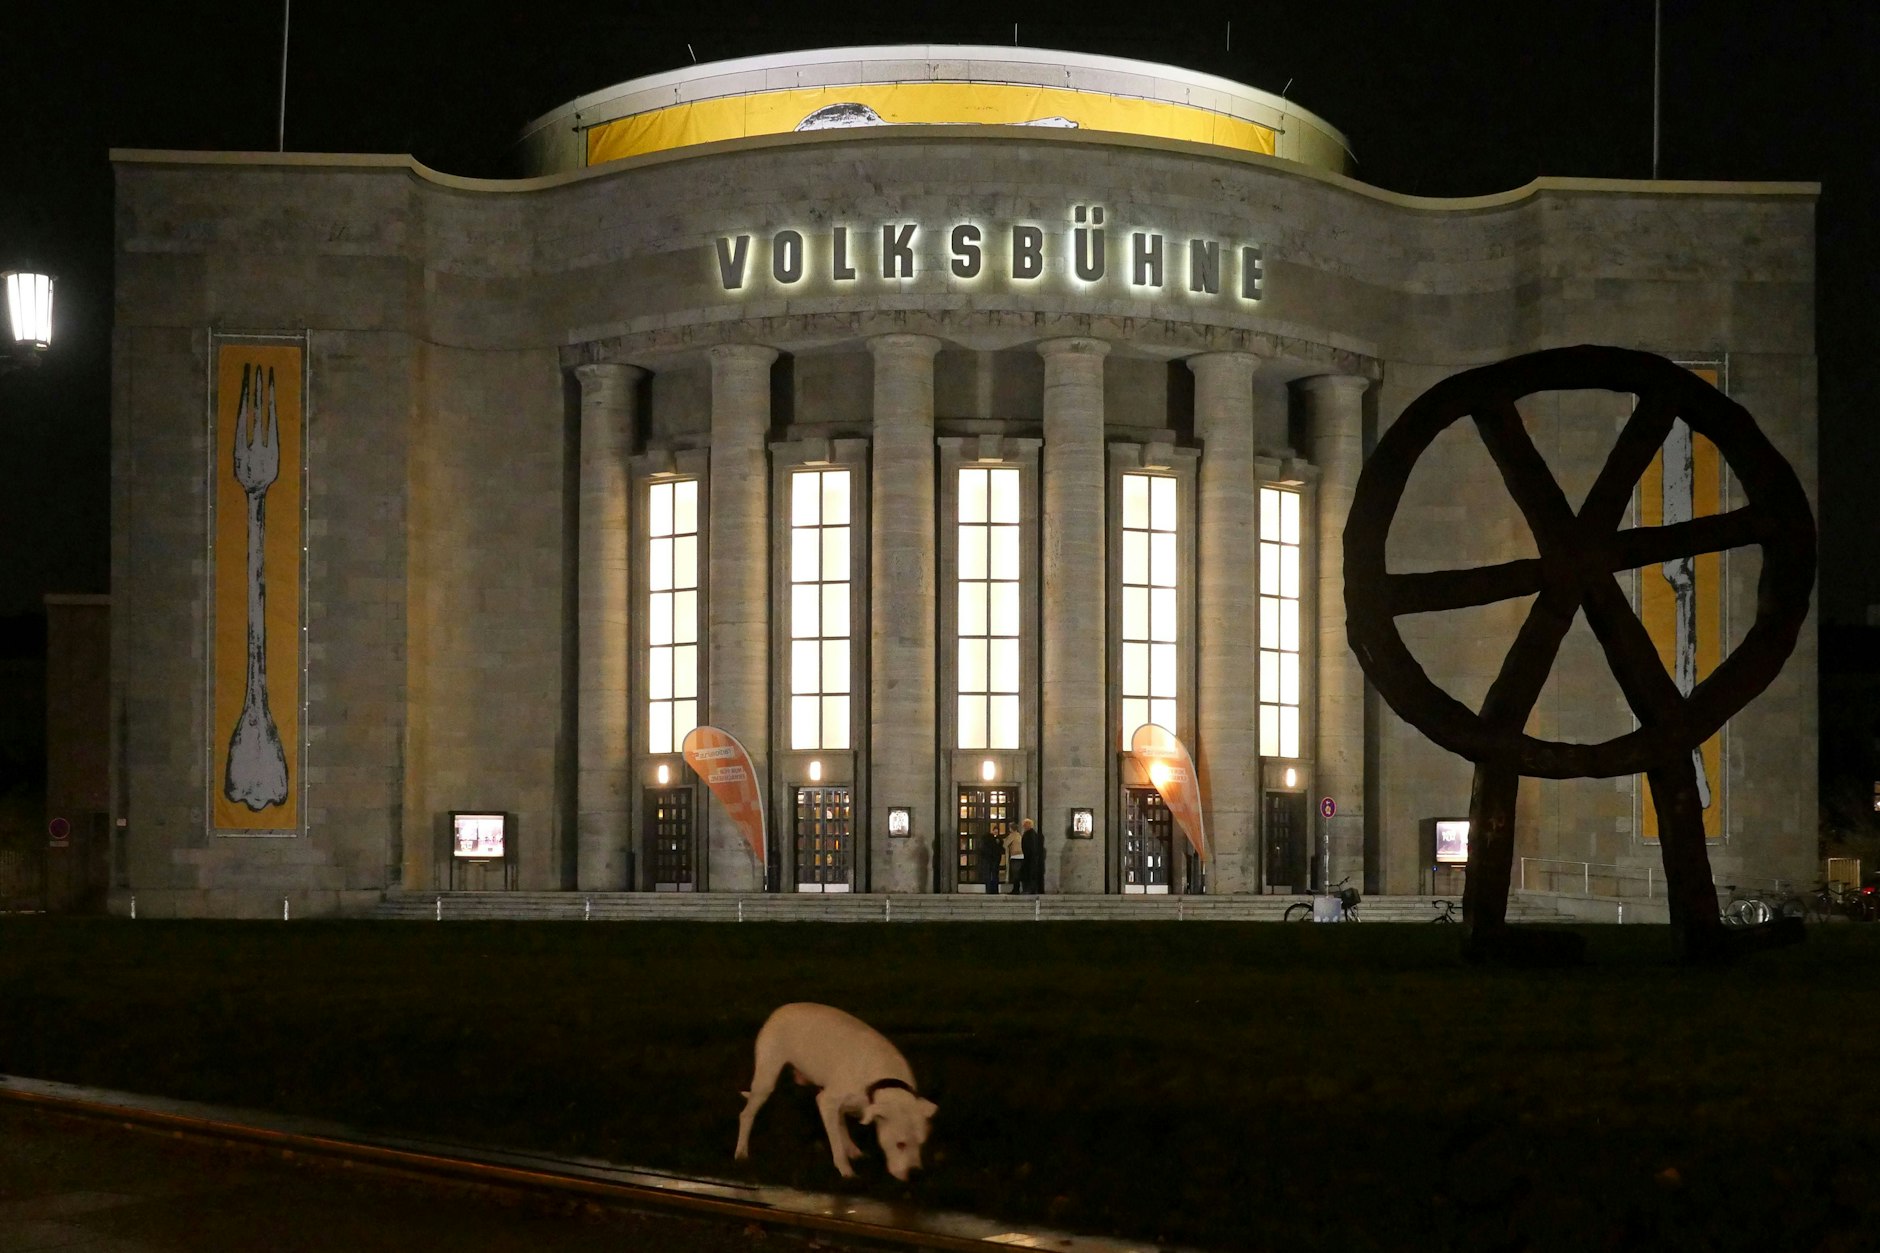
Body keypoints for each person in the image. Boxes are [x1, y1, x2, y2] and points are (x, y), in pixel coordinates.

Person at [1020, 818, 1045, 894]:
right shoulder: (1030, 834)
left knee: (1030, 875)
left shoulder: (1030, 835)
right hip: (1030, 858)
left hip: (1030, 859)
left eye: (1025, 825)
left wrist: (1029, 856)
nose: (1023, 826)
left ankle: (1030, 889)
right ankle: (1029, 889)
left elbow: (1031, 847)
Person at [979, 827, 1003, 894]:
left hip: (991, 859)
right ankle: (993, 890)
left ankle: (990, 890)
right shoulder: (992, 839)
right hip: (991, 859)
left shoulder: (995, 839)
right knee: (992, 875)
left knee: (991, 875)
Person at [1003, 825, 1026, 893]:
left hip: (1015, 856)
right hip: (1021, 856)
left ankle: (1016, 889)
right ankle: (1017, 888)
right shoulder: (1019, 835)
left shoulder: (1012, 835)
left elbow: (1005, 844)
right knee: (1018, 874)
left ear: (1011, 829)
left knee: (1015, 874)